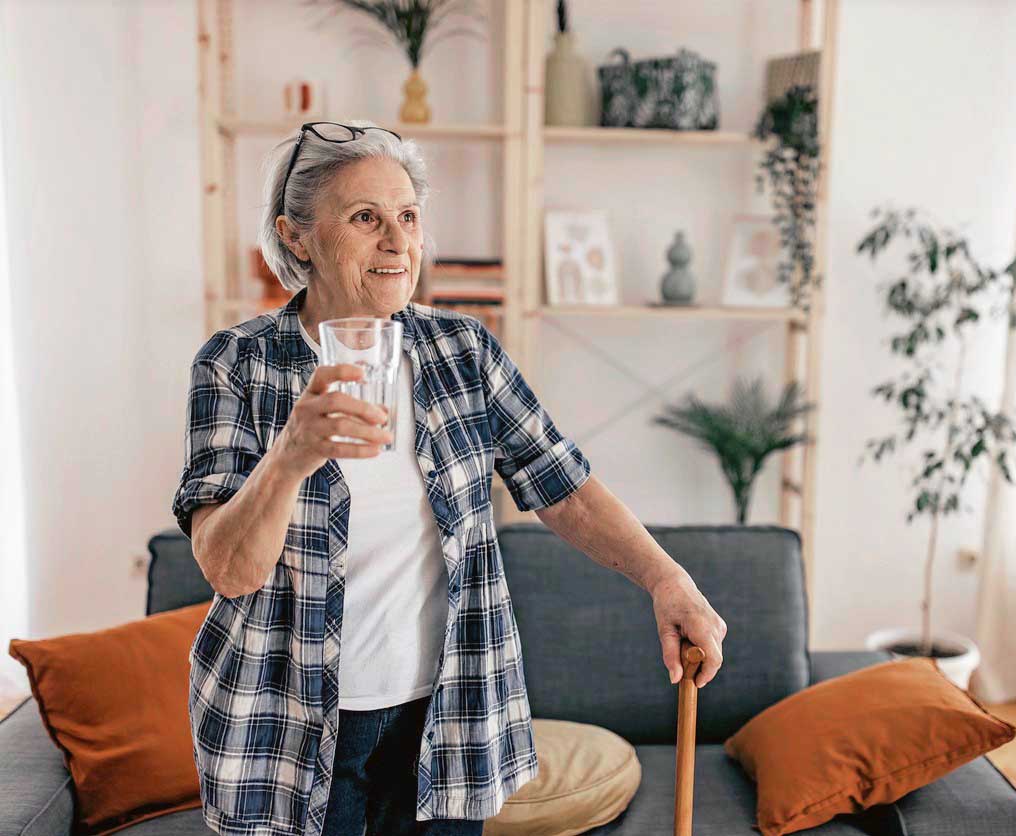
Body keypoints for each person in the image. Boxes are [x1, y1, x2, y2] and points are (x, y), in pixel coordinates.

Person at [172, 120, 728, 836]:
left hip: (444, 718)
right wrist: (290, 457)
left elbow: (563, 485)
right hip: (286, 727)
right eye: (365, 217)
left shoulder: (461, 351)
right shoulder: (234, 364)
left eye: (407, 216)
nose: (398, 242)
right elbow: (227, 568)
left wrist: (666, 580)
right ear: (296, 235)